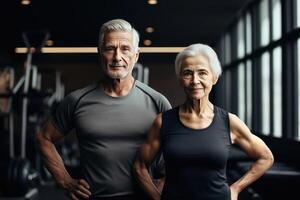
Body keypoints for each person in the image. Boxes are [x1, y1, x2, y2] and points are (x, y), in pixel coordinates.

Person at [36, 19, 171, 200]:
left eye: (125, 49)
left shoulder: (157, 101)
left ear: (136, 55)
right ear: (100, 53)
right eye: (109, 48)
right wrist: (64, 180)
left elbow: (176, 150)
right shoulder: (77, 100)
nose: (117, 57)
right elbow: (44, 138)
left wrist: (163, 183)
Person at [134, 43, 274, 200]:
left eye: (202, 73)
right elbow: (140, 166)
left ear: (214, 78)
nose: (195, 81)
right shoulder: (163, 122)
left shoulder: (229, 122)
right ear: (180, 79)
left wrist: (236, 188)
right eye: (187, 73)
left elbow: (266, 157)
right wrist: (156, 197)